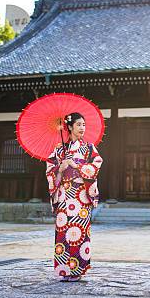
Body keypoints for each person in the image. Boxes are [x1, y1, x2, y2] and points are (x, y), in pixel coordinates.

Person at [45, 112, 102, 282]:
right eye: (78, 125)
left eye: (84, 125)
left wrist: (75, 164)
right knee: (63, 232)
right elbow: (50, 170)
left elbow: (96, 165)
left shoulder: (89, 148)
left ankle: (77, 270)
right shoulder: (59, 149)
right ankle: (63, 270)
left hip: (81, 195)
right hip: (64, 194)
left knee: (78, 232)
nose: (82, 128)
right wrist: (60, 169)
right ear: (69, 127)